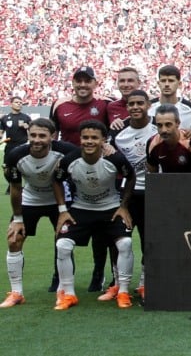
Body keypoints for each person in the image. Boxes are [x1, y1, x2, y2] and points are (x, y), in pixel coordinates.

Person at [51, 120, 136, 310]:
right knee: (62, 245)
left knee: (125, 243)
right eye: (85, 137)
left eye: (94, 138)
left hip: (110, 208)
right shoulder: (70, 160)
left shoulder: (115, 158)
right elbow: (56, 180)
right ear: (80, 139)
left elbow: (131, 177)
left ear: (103, 140)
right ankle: (68, 294)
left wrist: (123, 206)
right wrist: (63, 210)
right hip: (81, 209)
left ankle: (123, 291)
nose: (89, 141)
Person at [1, 119, 76, 309]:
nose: (36, 140)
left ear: (52, 136)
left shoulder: (66, 150)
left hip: (60, 200)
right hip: (30, 199)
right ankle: (16, 293)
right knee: (14, 239)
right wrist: (18, 219)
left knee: (64, 243)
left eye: (42, 135)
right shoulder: (16, 155)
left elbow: (88, 156)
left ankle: (64, 292)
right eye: (33, 135)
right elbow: (15, 188)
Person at [49, 66, 110, 293]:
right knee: (62, 222)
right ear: (73, 82)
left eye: (87, 81)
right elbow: (52, 136)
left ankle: (98, 273)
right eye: (79, 80)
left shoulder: (105, 104)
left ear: (95, 83)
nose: (83, 85)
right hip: (67, 174)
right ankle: (59, 275)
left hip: (96, 173)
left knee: (99, 226)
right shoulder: (59, 105)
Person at [104, 90, 156, 303]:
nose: (135, 107)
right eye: (131, 104)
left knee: (148, 239)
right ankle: (118, 283)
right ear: (126, 107)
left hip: (152, 192)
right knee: (117, 239)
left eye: (140, 103)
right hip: (126, 193)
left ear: (148, 105)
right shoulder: (118, 132)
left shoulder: (158, 126)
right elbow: (107, 158)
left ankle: (144, 283)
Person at [146, 104, 191, 174]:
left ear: (178, 123)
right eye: (159, 125)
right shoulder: (152, 143)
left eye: (168, 124)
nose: (163, 130)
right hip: (167, 181)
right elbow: (153, 177)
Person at [148, 65, 191, 131]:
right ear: (158, 83)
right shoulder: (148, 107)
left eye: (171, 81)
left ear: (179, 84)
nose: (166, 84)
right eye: (163, 81)